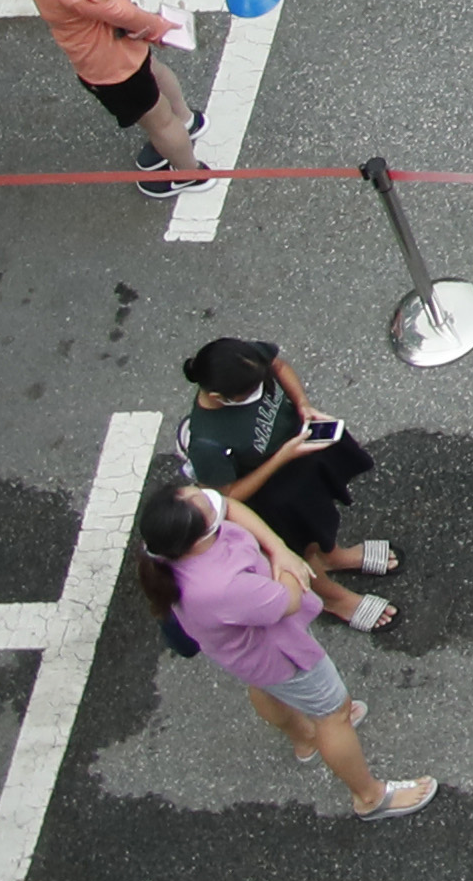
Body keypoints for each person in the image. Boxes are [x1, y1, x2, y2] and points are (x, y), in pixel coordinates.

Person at [151, 478, 434, 822]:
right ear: (197, 537)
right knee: (335, 713)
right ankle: (370, 798)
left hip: (248, 656)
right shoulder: (222, 588)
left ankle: (305, 739)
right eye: (205, 506)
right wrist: (288, 566)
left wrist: (278, 549)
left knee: (265, 686)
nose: (213, 502)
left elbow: (230, 506)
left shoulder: (166, 542)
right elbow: (289, 599)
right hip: (283, 653)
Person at [0, 0, 209, 193]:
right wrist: (149, 29)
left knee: (159, 123)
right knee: (155, 74)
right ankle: (188, 120)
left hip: (108, 65)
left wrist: (156, 28)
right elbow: (118, 6)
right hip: (125, 46)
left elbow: (116, 11)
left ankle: (189, 173)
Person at [176, 338, 387, 614]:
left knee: (319, 525)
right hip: (273, 496)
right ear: (218, 396)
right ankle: (333, 600)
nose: (262, 388)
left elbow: (278, 365)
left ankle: (332, 556)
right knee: (300, 550)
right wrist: (281, 458)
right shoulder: (207, 443)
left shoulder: (246, 361)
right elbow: (224, 496)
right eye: (251, 392)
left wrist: (302, 404)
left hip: (298, 461)